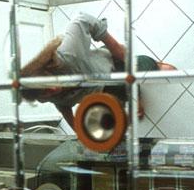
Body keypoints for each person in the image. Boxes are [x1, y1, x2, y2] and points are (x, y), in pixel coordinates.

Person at [19, 12, 176, 128]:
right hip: (101, 94)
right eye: (45, 93)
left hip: (113, 67)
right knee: (123, 119)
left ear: (47, 70)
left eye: (48, 84)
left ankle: (156, 64)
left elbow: (81, 19)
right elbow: (62, 105)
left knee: (168, 71)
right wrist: (77, 130)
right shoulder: (42, 95)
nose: (52, 89)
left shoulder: (67, 55)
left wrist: (114, 47)